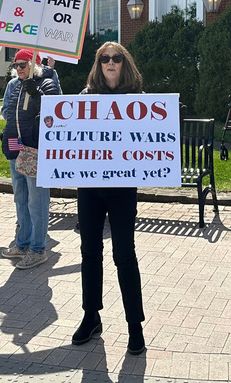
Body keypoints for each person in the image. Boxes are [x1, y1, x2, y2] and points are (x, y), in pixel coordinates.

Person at [71, 42, 147, 356]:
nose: (111, 63)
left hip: (122, 189)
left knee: (124, 254)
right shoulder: (86, 98)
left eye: (116, 58)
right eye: (105, 59)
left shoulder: (138, 99)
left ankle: (134, 325)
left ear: (124, 63)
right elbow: (66, 133)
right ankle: (91, 316)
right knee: (89, 251)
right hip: (89, 187)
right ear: (99, 65)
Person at [0, 48, 61, 270]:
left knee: (37, 199)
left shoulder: (46, 83)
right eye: (16, 65)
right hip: (16, 144)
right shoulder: (13, 85)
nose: (18, 69)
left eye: (23, 64)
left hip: (34, 147)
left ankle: (38, 248)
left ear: (34, 64)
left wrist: (37, 95)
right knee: (20, 196)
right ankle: (22, 243)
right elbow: (6, 109)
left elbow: (55, 112)